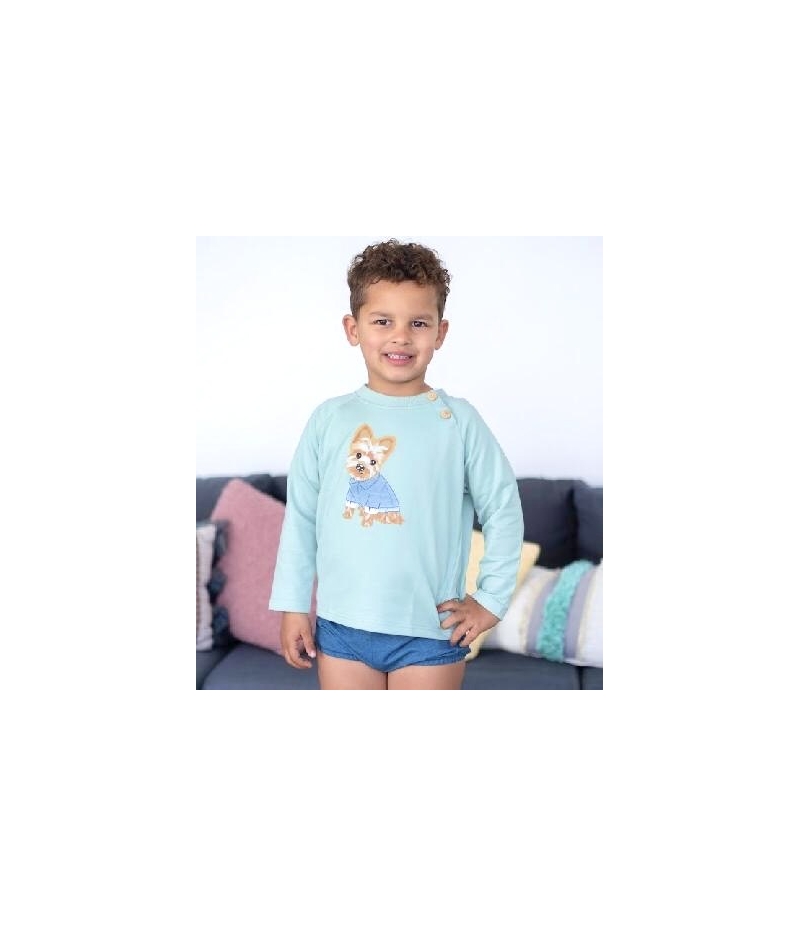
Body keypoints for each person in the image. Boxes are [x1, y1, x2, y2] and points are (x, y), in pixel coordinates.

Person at [268, 239, 524, 689]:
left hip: (430, 630)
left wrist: (490, 600)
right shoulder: (329, 419)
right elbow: (302, 518)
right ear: (353, 329)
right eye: (383, 321)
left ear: (440, 333)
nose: (401, 337)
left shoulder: (458, 421)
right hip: (341, 627)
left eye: (418, 323)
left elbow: (503, 509)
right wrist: (292, 605)